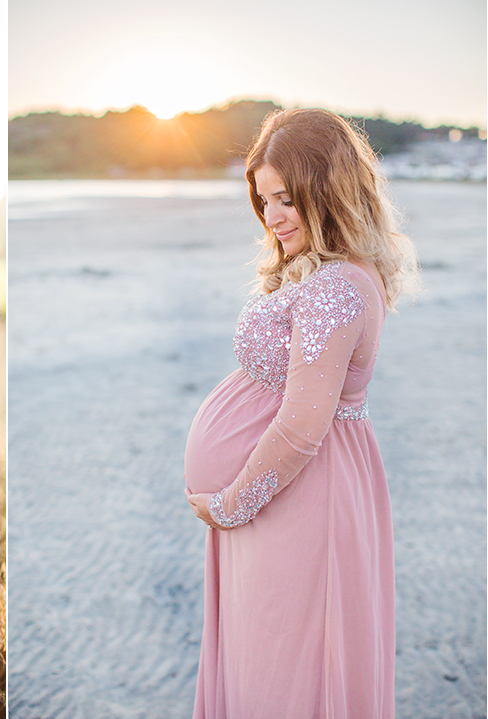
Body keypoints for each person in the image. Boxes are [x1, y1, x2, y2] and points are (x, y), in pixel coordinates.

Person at [183, 108, 418, 718]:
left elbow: (299, 428)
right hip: (278, 500)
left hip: (298, 500)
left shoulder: (339, 286)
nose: (275, 217)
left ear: (328, 190)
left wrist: (230, 505)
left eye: (287, 199)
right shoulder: (324, 273)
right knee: (267, 661)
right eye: (265, 202)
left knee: (285, 672)